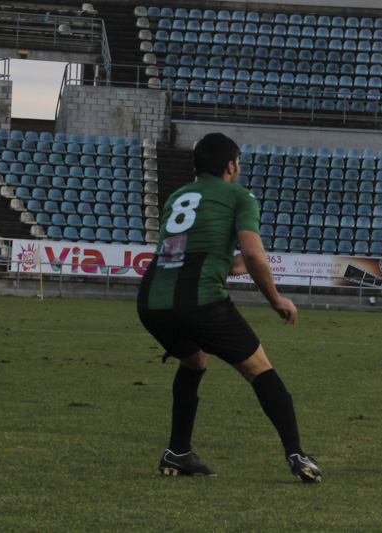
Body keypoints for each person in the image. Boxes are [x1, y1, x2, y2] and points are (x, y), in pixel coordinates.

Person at [137, 132, 321, 482]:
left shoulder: (178, 196)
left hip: (153, 300)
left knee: (195, 359)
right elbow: (252, 254)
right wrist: (275, 299)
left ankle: (178, 452)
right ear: (231, 165)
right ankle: (297, 454)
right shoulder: (239, 195)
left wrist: (243, 264)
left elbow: (192, 255)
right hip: (199, 298)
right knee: (260, 369)